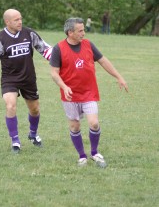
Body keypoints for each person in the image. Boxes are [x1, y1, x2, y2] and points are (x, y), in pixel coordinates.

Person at [50, 18, 128, 167]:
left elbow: (104, 61)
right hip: (70, 95)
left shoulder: (88, 45)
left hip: (88, 93)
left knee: (94, 123)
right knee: (75, 126)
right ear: (70, 32)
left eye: (83, 30)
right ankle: (82, 156)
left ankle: (94, 153)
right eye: (80, 31)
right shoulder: (58, 48)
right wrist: (64, 87)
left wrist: (119, 77)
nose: (83, 33)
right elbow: (54, 73)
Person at [0, 9, 52, 153]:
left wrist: (60, 62)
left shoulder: (28, 33)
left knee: (35, 109)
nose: (20, 22)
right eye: (16, 20)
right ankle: (15, 141)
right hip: (9, 79)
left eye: (20, 18)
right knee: (10, 106)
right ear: (7, 22)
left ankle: (32, 134)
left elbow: (45, 49)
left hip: (28, 78)